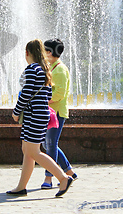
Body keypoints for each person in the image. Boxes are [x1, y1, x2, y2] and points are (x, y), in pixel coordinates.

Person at [8, 39, 73, 197]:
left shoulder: (32, 69)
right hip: (39, 115)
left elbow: (25, 94)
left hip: (34, 116)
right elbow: (48, 94)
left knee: (34, 152)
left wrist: (16, 112)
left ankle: (63, 178)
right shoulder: (45, 70)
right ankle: (21, 186)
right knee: (27, 151)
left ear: (27, 53)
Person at [40, 38, 77, 189]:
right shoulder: (52, 67)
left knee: (50, 144)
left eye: (44, 51)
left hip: (57, 112)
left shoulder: (60, 69)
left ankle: (49, 178)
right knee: (48, 144)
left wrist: (42, 97)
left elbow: (59, 94)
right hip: (50, 112)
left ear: (49, 52)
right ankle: (69, 172)